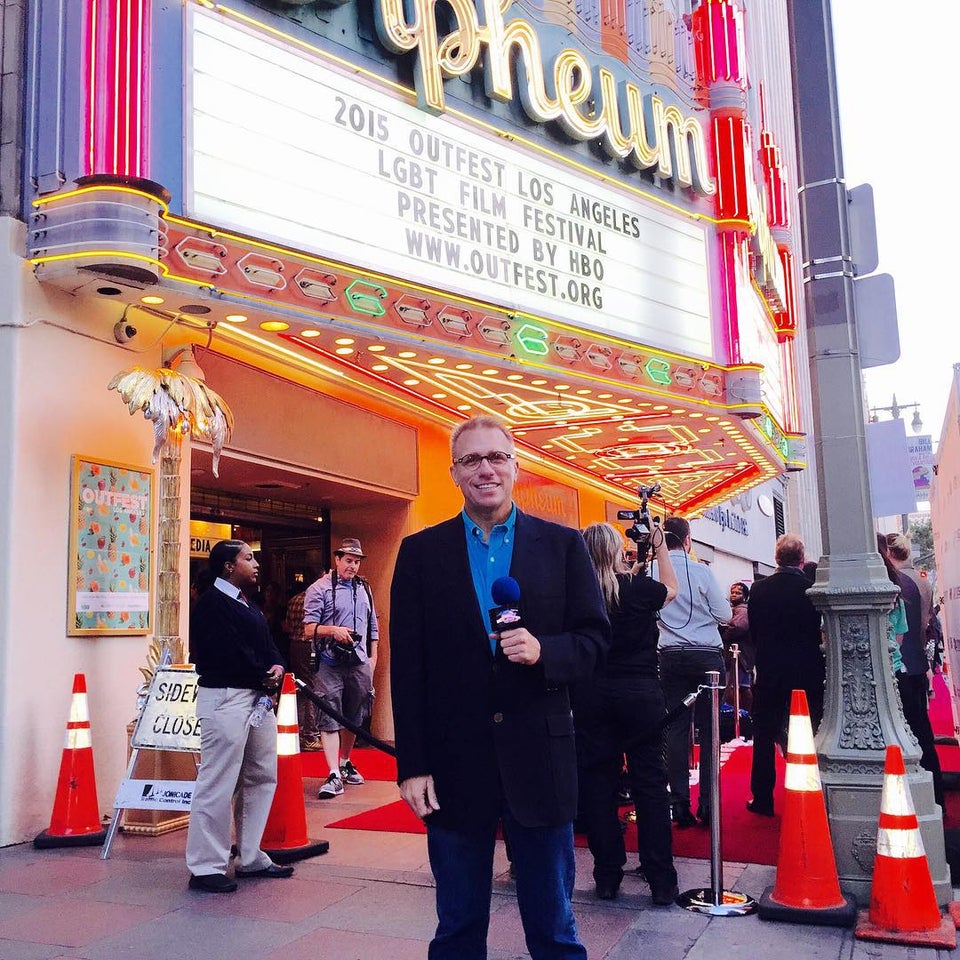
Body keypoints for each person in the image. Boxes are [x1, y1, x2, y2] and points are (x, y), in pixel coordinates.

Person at [390, 415, 610, 960]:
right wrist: (411, 763)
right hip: (452, 764)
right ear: (454, 474)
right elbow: (408, 665)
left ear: (516, 467)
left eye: (496, 458)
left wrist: (545, 651)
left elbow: (594, 640)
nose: (485, 469)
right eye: (471, 460)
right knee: (458, 926)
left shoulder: (562, 546)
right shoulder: (421, 553)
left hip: (539, 759)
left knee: (554, 928)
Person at [575, 521, 678, 904]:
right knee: (649, 782)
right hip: (640, 694)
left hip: (591, 693)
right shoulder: (636, 590)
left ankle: (607, 874)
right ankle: (661, 878)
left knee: (598, 783)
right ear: (617, 551)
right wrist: (660, 547)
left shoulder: (578, 592)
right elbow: (670, 590)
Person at [185, 540, 293, 893]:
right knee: (219, 781)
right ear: (229, 566)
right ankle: (206, 865)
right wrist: (265, 671)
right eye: (248, 558)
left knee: (261, 774)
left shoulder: (247, 603)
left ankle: (250, 855)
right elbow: (227, 653)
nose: (256, 564)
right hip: (227, 698)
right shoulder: (211, 605)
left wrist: (277, 664)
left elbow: (267, 644)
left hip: (256, 699)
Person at [654, 516, 731, 828]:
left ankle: (679, 804)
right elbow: (724, 615)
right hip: (706, 654)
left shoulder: (651, 571)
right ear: (687, 540)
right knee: (709, 731)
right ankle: (708, 806)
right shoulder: (701, 571)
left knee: (675, 729)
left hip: (669, 655)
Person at [746, 533, 824, 817]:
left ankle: (763, 797)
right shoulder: (811, 589)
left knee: (764, 735)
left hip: (769, 670)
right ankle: (809, 790)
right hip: (806, 670)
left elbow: (754, 631)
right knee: (809, 731)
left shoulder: (759, 590)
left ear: (776, 558)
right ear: (802, 559)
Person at [304, 538, 378, 799]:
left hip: (359, 661)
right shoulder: (319, 588)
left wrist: (373, 658)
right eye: (348, 560)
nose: (353, 566)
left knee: (355, 715)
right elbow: (307, 629)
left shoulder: (364, 588)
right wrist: (332, 631)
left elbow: (373, 627)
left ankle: (345, 762)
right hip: (329, 662)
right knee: (329, 714)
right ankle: (333, 772)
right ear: (337, 559)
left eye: (357, 561)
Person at [885, 533, 944, 808]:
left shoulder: (899, 582)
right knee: (922, 730)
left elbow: (902, 632)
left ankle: (925, 796)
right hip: (916, 662)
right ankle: (935, 795)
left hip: (903, 666)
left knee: (912, 731)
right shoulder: (920, 581)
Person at [284, 568, 320, 752]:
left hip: (294, 645)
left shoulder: (294, 600)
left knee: (299, 687)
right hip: (309, 645)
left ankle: (297, 729)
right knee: (311, 689)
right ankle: (310, 734)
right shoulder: (314, 599)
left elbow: (288, 626)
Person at [720, 581, 753, 714]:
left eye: (738, 593)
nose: (734, 595)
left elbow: (739, 627)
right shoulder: (742, 609)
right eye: (732, 592)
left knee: (733, 687)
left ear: (744, 596)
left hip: (737, 656)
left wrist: (723, 633)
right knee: (744, 687)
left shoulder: (741, 610)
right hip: (744, 656)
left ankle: (736, 716)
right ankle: (745, 716)